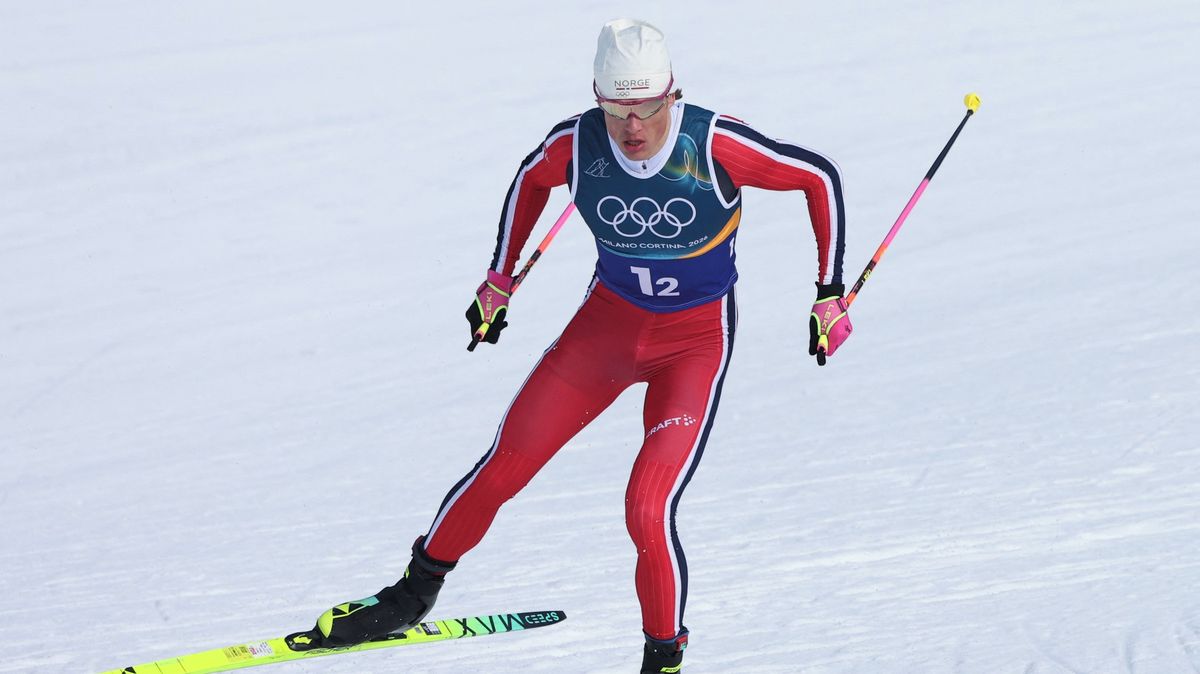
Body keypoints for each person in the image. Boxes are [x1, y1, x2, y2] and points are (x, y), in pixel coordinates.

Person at [305, 18, 851, 673]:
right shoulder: (577, 142)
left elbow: (817, 176)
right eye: (616, 110)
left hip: (693, 343)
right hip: (607, 329)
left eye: (647, 108)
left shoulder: (714, 144)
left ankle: (663, 657)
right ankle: (411, 594)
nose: (632, 126)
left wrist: (829, 291)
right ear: (598, 98)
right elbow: (530, 181)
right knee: (505, 463)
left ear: (671, 94)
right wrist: (499, 280)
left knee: (647, 508)